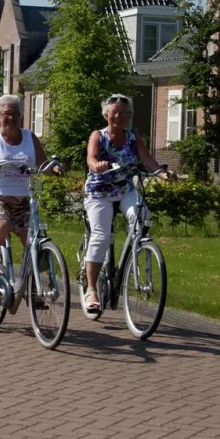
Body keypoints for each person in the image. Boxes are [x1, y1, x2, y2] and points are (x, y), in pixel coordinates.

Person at [82, 93, 169, 314]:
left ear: (129, 116)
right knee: (101, 236)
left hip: (124, 189)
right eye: (114, 113)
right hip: (99, 191)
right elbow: (90, 158)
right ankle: (91, 289)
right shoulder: (98, 135)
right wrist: (96, 165)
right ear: (107, 115)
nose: (119, 116)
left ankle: (132, 260)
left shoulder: (132, 136)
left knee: (142, 218)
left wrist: (160, 172)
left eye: (124, 113)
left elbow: (146, 158)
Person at [0, 94, 58, 285]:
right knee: (2, 226)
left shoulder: (29, 137)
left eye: (15, 114)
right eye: (6, 114)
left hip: (23, 198)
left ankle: (34, 286)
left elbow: (43, 164)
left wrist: (54, 168)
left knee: (33, 241)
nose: (11, 118)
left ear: (21, 115)